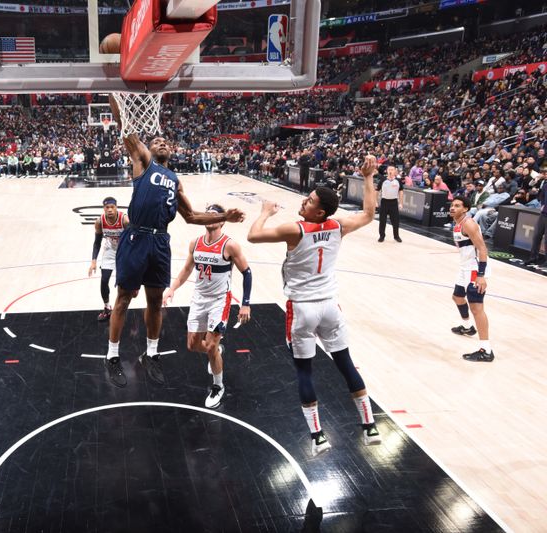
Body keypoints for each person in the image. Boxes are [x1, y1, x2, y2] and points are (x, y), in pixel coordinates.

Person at [103, 95, 245, 388]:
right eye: (156, 141)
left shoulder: (174, 179)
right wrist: (112, 89)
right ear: (148, 149)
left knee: (156, 301)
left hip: (160, 243)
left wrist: (226, 217)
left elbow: (191, 216)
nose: (162, 142)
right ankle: (112, 356)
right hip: (137, 237)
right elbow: (123, 125)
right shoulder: (143, 162)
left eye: (166, 141)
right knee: (124, 299)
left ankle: (152, 354)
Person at [246, 155, 382, 457]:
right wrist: (369, 177)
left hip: (302, 310)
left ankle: (318, 436)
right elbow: (369, 214)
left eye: (309, 201)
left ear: (318, 211)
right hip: (330, 307)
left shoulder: (295, 229)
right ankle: (369, 425)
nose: (304, 202)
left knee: (304, 372)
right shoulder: (338, 226)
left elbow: (253, 236)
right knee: (346, 364)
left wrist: (265, 212)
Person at [162, 204, 252, 408]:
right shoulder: (196, 243)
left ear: (222, 221)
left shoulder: (230, 245)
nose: (211, 218)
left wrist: (245, 304)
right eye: (207, 215)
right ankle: (216, 351)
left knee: (210, 346)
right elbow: (186, 268)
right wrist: (172, 288)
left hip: (220, 301)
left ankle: (218, 386)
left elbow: (247, 273)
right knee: (193, 346)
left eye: (215, 215)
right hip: (199, 299)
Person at [449, 197, 494, 362]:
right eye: (452, 205)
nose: (453, 208)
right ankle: (468, 327)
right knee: (457, 297)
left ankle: (486, 350)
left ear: (466, 209)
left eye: (457, 205)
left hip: (475, 270)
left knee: (476, 308)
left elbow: (482, 248)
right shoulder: (458, 223)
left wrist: (480, 275)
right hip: (465, 268)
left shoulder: (469, 224)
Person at [88, 197, 129, 321]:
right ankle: (107, 308)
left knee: (123, 284)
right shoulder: (100, 221)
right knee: (104, 280)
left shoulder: (125, 220)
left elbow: (134, 240)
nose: (110, 210)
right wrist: (93, 261)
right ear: (104, 208)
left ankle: (121, 308)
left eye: (112, 207)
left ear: (116, 207)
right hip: (110, 250)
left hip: (124, 250)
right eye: (107, 207)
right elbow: (97, 242)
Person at [524, 173, 547, 267]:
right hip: (544, 214)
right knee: (536, 236)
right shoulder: (545, 184)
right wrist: (542, 205)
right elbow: (541, 196)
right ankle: (533, 257)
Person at [376, 165, 403, 243]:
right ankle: (382, 236)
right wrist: (375, 201)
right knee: (382, 220)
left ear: (395, 171)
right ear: (386, 171)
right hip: (384, 202)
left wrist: (401, 203)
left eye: (392, 169)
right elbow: (377, 190)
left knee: (396, 221)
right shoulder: (383, 180)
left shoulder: (398, 180)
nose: (391, 171)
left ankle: (396, 236)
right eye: (389, 169)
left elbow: (401, 192)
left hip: (394, 202)